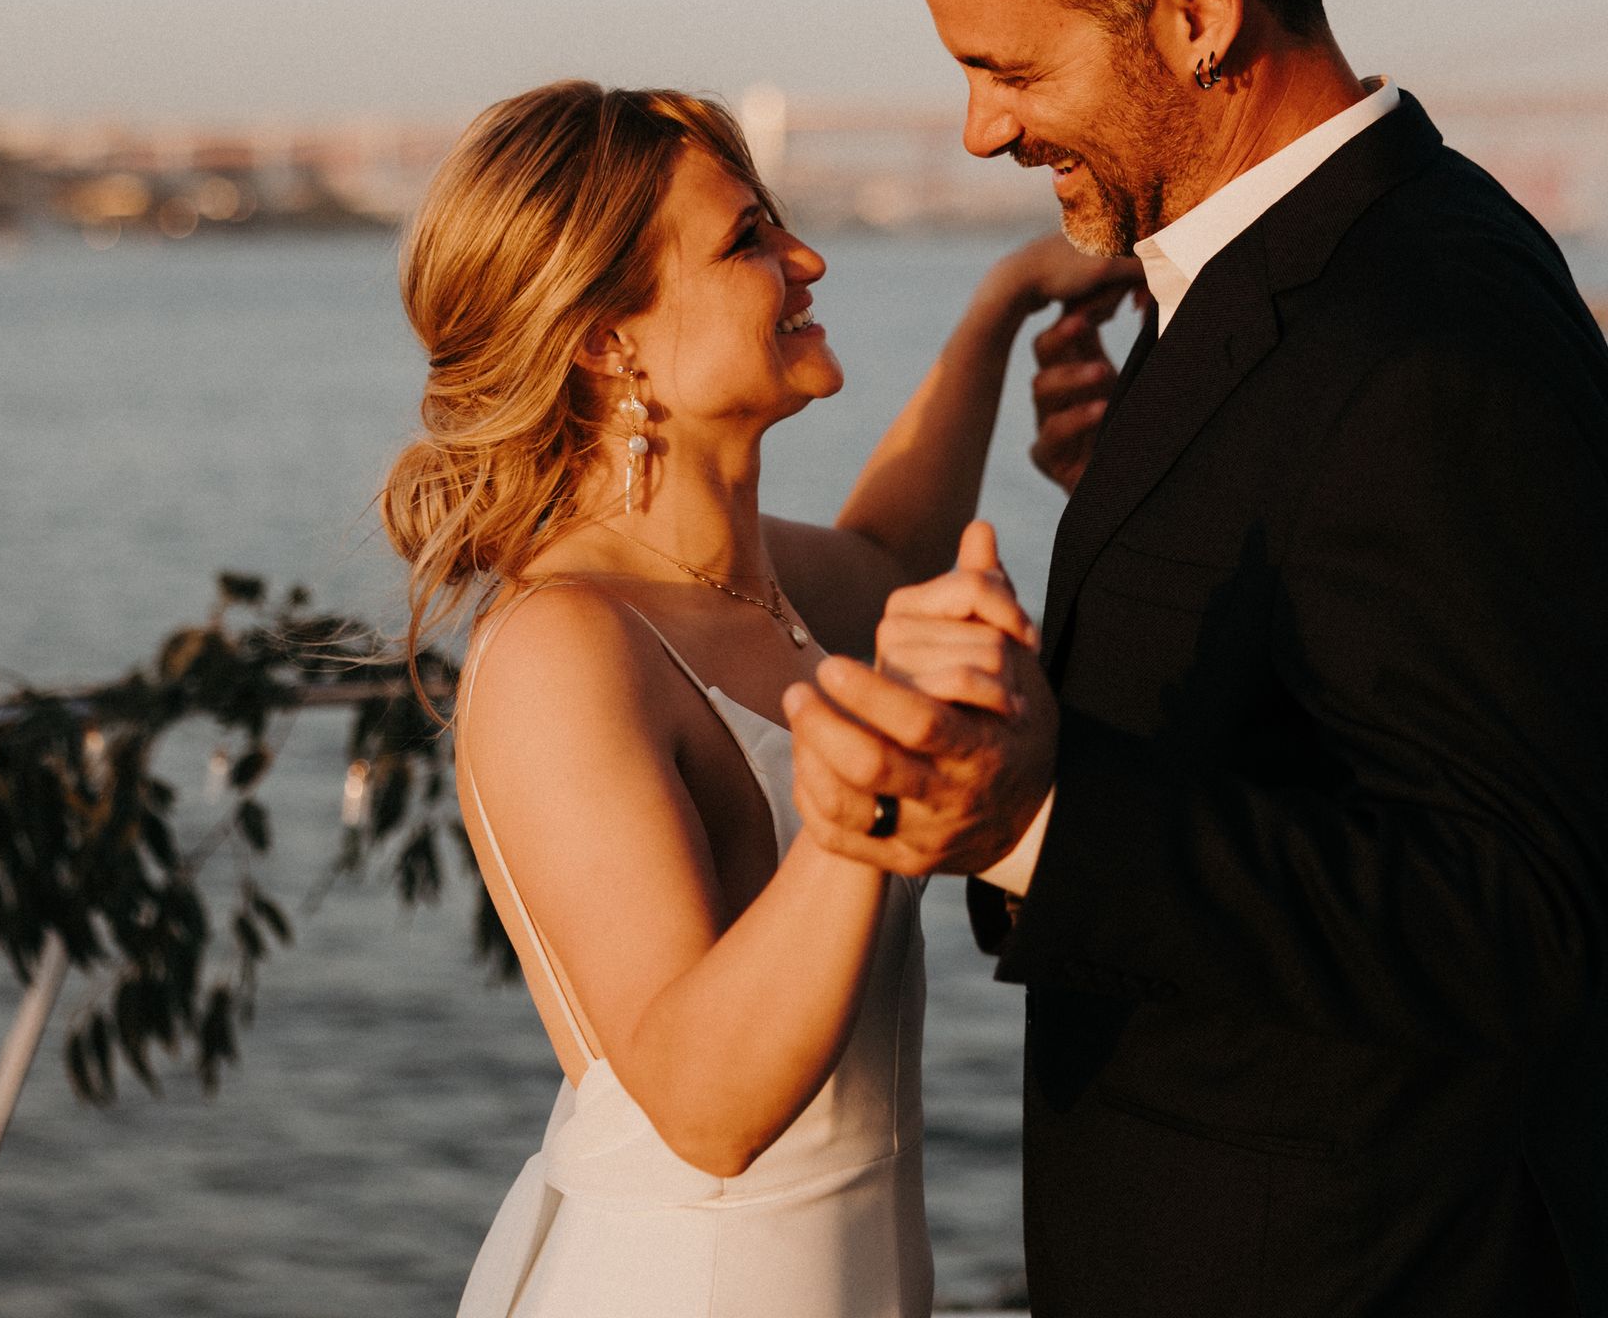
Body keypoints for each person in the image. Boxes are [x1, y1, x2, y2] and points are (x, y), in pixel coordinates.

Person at [784, 0, 1608, 1315]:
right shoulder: (1287, 291)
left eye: (1011, 68)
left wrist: (1029, 819)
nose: (986, 129)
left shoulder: (1429, 332)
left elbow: (1516, 919)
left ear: (1196, 10)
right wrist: (1147, 493)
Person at [383, 81, 1134, 1318]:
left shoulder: (759, 590)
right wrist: (878, 784)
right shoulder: (565, 649)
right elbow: (703, 1102)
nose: (807, 256)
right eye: (748, 240)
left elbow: (894, 552)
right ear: (606, 339)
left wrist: (1002, 304)